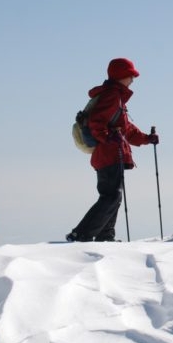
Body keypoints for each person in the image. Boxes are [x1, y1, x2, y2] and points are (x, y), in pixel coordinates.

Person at [66, 58, 158, 242]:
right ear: (121, 76)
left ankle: (105, 235)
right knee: (111, 196)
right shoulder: (112, 96)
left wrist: (146, 139)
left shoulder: (116, 97)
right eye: (130, 75)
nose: (132, 79)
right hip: (108, 154)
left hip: (111, 154)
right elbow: (96, 123)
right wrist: (108, 137)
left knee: (113, 197)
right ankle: (81, 233)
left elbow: (126, 128)